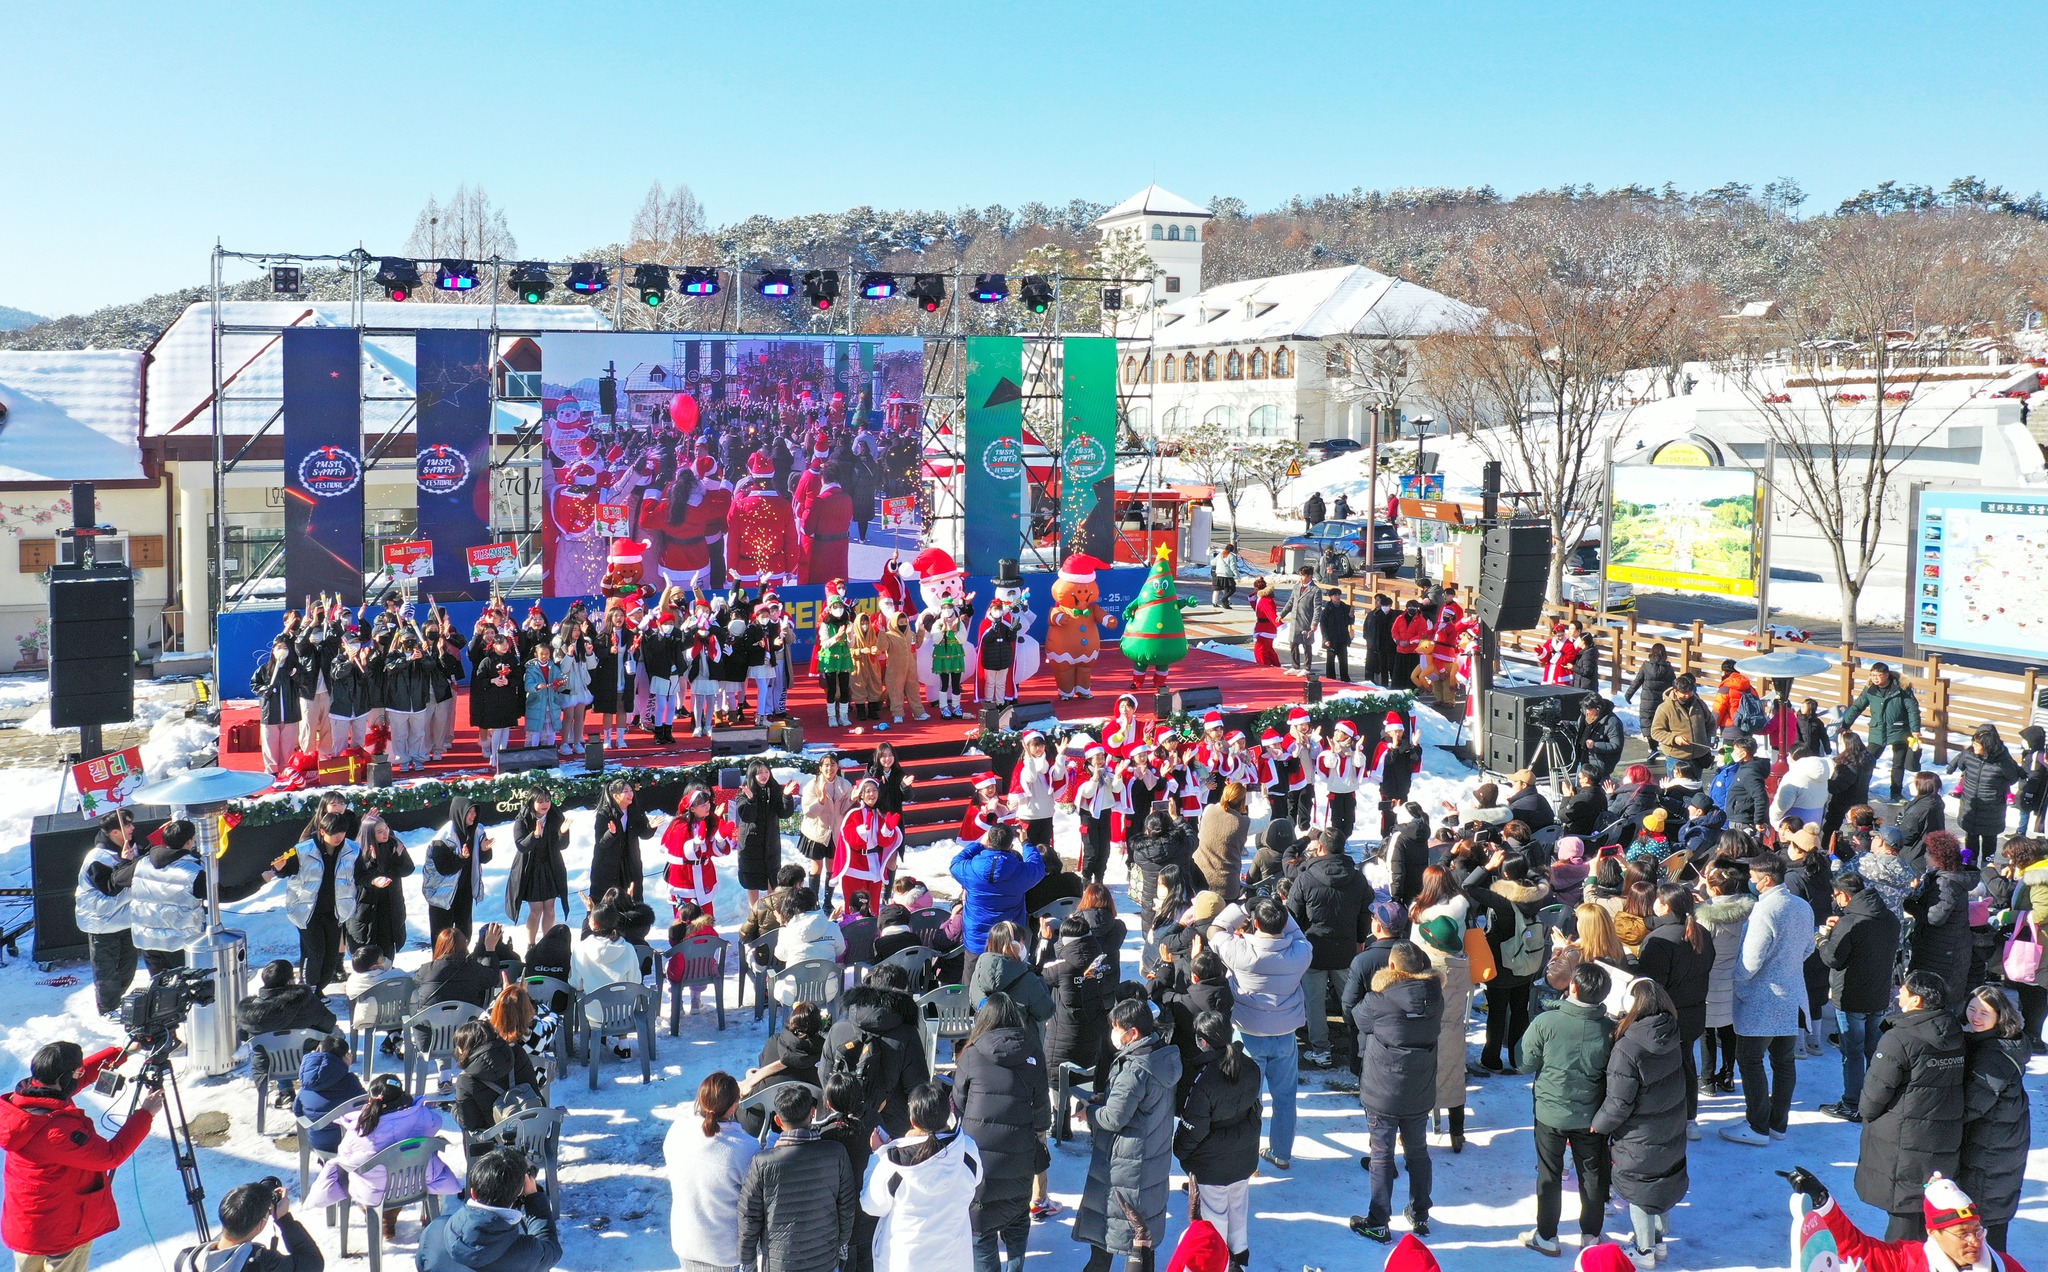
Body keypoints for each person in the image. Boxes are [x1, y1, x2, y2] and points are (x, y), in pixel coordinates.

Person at [0, 1040, 159, 1272]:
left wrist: (120, 1053)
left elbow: (77, 1079)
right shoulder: (56, 1131)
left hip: (25, 1226)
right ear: (63, 1077)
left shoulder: (22, 1101)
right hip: (60, 1228)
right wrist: (145, 1114)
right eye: (77, 1071)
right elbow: (110, 1155)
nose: (80, 1076)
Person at [1855, 970, 1967, 1241]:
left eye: (1902, 990)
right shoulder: (1955, 1033)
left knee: (1903, 1221)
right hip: (1942, 1138)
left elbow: (1874, 1094)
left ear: (1916, 1000)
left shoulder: (1899, 1038)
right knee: (1924, 1214)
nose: (1897, 994)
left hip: (1902, 1142)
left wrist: (1868, 1116)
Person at [1074, 997, 1182, 1272]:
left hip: (1127, 1162)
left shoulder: (1134, 1069)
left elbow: (1113, 1117)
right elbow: (1138, 1103)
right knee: (1142, 1237)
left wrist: (1090, 1113)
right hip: (1152, 1156)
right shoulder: (1161, 1056)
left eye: (1116, 1027)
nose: (1113, 1033)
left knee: (1110, 1227)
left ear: (1133, 1033)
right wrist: (1108, 1096)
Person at [1347, 942, 1443, 1244]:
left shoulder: (1379, 1000)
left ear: (1391, 968)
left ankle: (1378, 1221)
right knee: (1418, 1152)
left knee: (1382, 1156)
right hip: (1419, 1089)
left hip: (1383, 1091)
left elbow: (1357, 1018)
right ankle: (1420, 1212)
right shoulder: (1435, 997)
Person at [1516, 961, 1615, 1256]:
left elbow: (1524, 1062)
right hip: (1592, 1115)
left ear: (1573, 987)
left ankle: (1547, 1235)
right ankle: (1591, 1235)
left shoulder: (1547, 1023)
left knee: (1550, 1172)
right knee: (1592, 1173)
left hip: (1550, 1112)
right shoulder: (1611, 1030)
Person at [1592, 979, 1690, 1269]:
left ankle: (1644, 1249)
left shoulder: (1628, 1048)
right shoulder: (1671, 1032)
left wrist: (1599, 1125)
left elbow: (1618, 1103)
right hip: (1669, 1128)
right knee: (1661, 1182)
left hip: (1639, 1135)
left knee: (1640, 1191)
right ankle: (1659, 1242)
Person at [1209, 897, 1311, 1169]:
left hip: (1248, 1034)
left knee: (1246, 1101)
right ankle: (1281, 1153)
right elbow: (1296, 932)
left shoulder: (1239, 951)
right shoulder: (1301, 952)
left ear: (1254, 923)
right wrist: (1279, 909)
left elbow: (1215, 930)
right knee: (1286, 1098)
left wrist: (1242, 906)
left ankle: (1245, 1156)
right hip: (1285, 1034)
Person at [1720, 852, 1812, 1147]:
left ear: (1766, 880)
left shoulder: (1764, 911)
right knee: (1784, 1062)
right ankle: (1777, 1124)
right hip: (1793, 996)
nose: (1750, 881)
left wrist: (1734, 981)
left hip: (1763, 999)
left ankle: (1757, 1125)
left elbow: (1750, 961)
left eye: (1753, 877)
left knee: (1750, 1059)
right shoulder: (1801, 906)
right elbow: (1809, 948)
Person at [953, 996, 1050, 1272]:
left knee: (981, 1228)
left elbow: (958, 1103)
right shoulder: (1033, 1050)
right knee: (1017, 1213)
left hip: (978, 1154)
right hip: (1020, 1148)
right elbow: (1042, 1106)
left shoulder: (971, 1054)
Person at [307, 1075, 463, 1242]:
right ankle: (390, 1220)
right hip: (417, 1182)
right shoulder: (422, 1115)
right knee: (400, 1173)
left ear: (371, 1099)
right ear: (402, 1095)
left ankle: (383, 1220)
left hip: (375, 1190)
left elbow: (345, 1155)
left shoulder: (362, 1128)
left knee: (354, 1175)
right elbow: (436, 1123)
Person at [1782, 1168, 2029, 1272]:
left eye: (1977, 1231)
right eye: (1962, 1233)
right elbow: (1857, 1247)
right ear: (1934, 1233)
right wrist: (1823, 1203)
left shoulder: (2004, 1266)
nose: (1974, 1242)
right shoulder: (1908, 1262)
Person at [863, 1081, 983, 1272]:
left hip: (906, 1261)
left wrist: (877, 1156)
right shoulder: (967, 1150)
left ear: (913, 1121)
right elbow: (973, 1181)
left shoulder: (893, 1163)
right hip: (954, 1259)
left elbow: (872, 1204)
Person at [1174, 1010, 1262, 1268]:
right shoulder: (1250, 1066)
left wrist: (1181, 1150)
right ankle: (1239, 1257)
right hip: (1243, 1155)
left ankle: (1218, 1262)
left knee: (1214, 1219)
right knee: (1238, 1210)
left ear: (1203, 1041)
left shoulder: (1204, 1079)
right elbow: (1254, 1108)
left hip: (1211, 1163)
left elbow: (1194, 1127)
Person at [738, 1084, 858, 1272]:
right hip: (824, 1260)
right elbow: (847, 1206)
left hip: (780, 1264)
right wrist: (839, 1244)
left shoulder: (762, 1163)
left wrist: (747, 1259)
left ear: (778, 1120)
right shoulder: (836, 1153)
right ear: (812, 1113)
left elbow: (749, 1216)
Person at [1817, 872, 1902, 1122]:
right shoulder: (1889, 918)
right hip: (1878, 994)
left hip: (1851, 996)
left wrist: (1823, 939)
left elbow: (1833, 958)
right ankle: (1875, 1099)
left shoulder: (1850, 923)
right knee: (1873, 1050)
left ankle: (1852, 1103)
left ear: (1843, 895)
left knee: (1852, 1051)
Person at [1288, 830, 1371, 1067]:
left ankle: (1321, 1050)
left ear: (1321, 848)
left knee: (1314, 1003)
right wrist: (1359, 939)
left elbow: (1293, 916)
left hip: (1312, 950)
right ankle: (1357, 1046)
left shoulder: (1306, 878)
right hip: (1345, 949)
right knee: (1350, 999)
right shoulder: (1357, 878)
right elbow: (1364, 912)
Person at [1956, 985, 2029, 1254]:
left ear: (2000, 1015)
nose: (1975, 1016)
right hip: (1999, 1150)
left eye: (1984, 1012)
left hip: (1989, 1156)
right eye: (1972, 1009)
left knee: (1986, 1231)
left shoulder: (1993, 1058)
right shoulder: (1999, 1043)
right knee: (1991, 1225)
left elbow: (1970, 1105)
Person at [664, 1071, 761, 1272]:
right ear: (734, 1106)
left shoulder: (677, 1130)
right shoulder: (746, 1148)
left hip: (685, 1242)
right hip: (725, 1253)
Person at [1635, 885, 1713, 1131]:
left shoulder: (1659, 940)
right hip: (1694, 1013)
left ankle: (1664, 1117)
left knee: (1662, 1069)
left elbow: (1651, 984)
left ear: (1666, 905)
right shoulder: (1700, 933)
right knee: (1687, 1063)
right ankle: (1690, 1118)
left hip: (1666, 1016)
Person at [416, 1147, 562, 1272]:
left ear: (473, 1192)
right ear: (519, 1192)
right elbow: (551, 1250)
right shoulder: (526, 1251)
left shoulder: (434, 1230)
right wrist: (534, 1199)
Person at [827, 964, 929, 1138]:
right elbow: (917, 1087)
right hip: (890, 1130)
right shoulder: (907, 1034)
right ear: (902, 993)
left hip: (841, 1125)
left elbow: (825, 1074)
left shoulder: (838, 1028)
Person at [266, 811, 358, 991]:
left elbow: (361, 873)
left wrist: (373, 880)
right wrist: (279, 869)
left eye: (342, 832)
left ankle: (319, 989)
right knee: (315, 952)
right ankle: (309, 989)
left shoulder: (351, 850)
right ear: (323, 832)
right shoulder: (303, 850)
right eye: (334, 833)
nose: (338, 837)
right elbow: (286, 869)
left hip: (335, 911)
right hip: (307, 911)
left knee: (331, 955)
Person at [951, 821, 1046, 984]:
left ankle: (971, 1009)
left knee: (972, 984)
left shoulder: (971, 869)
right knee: (1010, 985)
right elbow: (1038, 867)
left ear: (989, 840)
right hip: (1009, 939)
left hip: (977, 939)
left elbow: (955, 863)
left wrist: (978, 846)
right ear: (1011, 844)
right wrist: (1026, 843)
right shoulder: (1020, 872)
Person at [235, 958, 337, 1104]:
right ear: (290, 981)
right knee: (334, 1034)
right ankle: (316, 1091)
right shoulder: (307, 1002)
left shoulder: (251, 1012)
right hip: (305, 1060)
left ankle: (285, 1091)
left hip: (268, 1066)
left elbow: (243, 1034)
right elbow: (329, 1023)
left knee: (275, 1049)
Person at [174, 1177, 323, 1272]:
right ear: (260, 1225)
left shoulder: (185, 1259)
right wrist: (284, 1219)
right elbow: (313, 1263)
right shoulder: (261, 1263)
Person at [74, 810, 139, 1017]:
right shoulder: (97, 858)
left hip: (125, 922)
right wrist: (127, 865)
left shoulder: (129, 849)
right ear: (114, 833)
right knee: (107, 973)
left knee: (128, 969)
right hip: (102, 925)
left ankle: (116, 1002)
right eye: (127, 826)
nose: (132, 829)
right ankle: (108, 1008)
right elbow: (110, 888)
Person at [130, 818, 208, 974]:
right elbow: (224, 894)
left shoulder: (142, 863)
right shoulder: (194, 871)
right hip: (179, 942)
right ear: (189, 842)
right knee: (186, 988)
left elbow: (117, 879)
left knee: (160, 991)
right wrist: (260, 880)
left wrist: (125, 861)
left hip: (148, 940)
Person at [1903, 831, 1973, 1003]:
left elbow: (1935, 917)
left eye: (1928, 852)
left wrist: (1910, 903)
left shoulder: (1946, 883)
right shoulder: (1950, 876)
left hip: (1940, 954)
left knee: (1933, 999)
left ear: (1938, 856)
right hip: (1945, 949)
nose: (1925, 856)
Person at [1840, 662, 1923, 803]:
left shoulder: (1902, 689)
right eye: (1872, 675)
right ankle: (1860, 788)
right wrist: (1845, 724)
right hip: (1877, 731)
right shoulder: (1870, 690)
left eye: (1878, 675)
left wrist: (1915, 730)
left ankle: (1896, 793)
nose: (1875, 678)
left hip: (1899, 730)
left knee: (1898, 763)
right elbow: (1857, 707)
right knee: (1866, 760)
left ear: (1886, 675)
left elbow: (1912, 709)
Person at [451, 1016, 538, 1142]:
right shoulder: (517, 1053)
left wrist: (454, 1109)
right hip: (535, 1130)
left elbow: (469, 1124)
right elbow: (533, 1088)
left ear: (462, 1049)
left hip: (500, 1144)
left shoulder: (465, 1080)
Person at [424, 795, 492, 941]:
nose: (473, 815)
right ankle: (441, 963)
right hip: (442, 893)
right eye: (470, 812)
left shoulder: (478, 831)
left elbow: (484, 860)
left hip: (464, 890)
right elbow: (443, 868)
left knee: (464, 933)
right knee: (442, 936)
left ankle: (461, 961)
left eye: (475, 811)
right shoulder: (443, 838)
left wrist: (485, 850)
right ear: (460, 813)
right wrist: (461, 858)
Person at [508, 788, 569, 948]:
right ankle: (531, 945)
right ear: (532, 802)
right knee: (536, 910)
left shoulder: (555, 816)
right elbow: (521, 845)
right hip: (531, 868)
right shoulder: (523, 818)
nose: (545, 804)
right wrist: (535, 835)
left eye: (547, 800)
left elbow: (562, 845)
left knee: (550, 909)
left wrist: (563, 833)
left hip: (550, 866)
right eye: (540, 801)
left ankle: (547, 943)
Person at [293, 1033, 366, 1156]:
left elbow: (297, 1111)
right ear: (345, 1056)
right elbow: (364, 1105)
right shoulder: (350, 1081)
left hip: (317, 1142)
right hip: (349, 1143)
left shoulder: (306, 1083)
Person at [734, 761, 794, 907]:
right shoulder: (744, 792)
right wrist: (750, 800)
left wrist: (786, 796)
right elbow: (747, 817)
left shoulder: (774, 789)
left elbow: (784, 813)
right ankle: (755, 912)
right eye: (760, 772)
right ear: (752, 774)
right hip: (751, 843)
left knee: (772, 876)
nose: (764, 775)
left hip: (771, 841)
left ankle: (770, 911)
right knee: (752, 879)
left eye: (766, 771)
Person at [589, 779, 654, 913]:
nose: (630, 794)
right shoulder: (604, 814)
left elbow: (644, 834)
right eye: (626, 791)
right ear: (616, 796)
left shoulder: (635, 811)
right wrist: (611, 833)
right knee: (610, 901)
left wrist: (651, 827)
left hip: (631, 862)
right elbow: (601, 843)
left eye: (631, 790)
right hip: (608, 865)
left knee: (633, 897)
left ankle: (633, 927)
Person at [1194, 781, 1252, 901]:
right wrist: (1265, 798)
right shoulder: (1243, 823)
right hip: (1226, 887)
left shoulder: (1209, 810)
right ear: (1242, 802)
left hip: (1199, 878)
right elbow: (1265, 820)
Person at [1649, 675, 1716, 776]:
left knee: (1695, 788)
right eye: (1684, 693)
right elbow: (1656, 732)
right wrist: (1674, 739)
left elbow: (1711, 723)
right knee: (1676, 790)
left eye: (1690, 692)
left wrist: (1708, 740)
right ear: (1675, 691)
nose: (1687, 696)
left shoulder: (1700, 704)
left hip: (1698, 757)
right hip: (1676, 757)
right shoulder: (1665, 708)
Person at [1284, 569, 1319, 673]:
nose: (1301, 578)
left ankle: (1307, 668)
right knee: (1293, 644)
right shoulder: (1297, 587)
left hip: (1306, 621)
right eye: (1300, 575)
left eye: (1303, 576)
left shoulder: (1315, 590)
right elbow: (1290, 602)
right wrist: (1282, 614)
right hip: (1295, 621)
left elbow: (1317, 608)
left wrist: (1314, 623)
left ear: (1309, 576)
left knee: (1307, 645)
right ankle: (1295, 666)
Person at [1319, 585, 1354, 681]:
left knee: (1343, 660)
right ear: (1330, 597)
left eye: (1339, 595)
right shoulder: (1327, 610)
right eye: (1335, 595)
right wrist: (1326, 639)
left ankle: (1345, 678)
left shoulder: (1345, 608)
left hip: (1342, 638)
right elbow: (1323, 625)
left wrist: (1351, 616)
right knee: (1330, 661)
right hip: (1331, 639)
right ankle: (1330, 679)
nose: (1337, 597)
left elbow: (1350, 622)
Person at [1249, 576, 1282, 668]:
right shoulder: (1261, 598)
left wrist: (1280, 625)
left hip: (1266, 628)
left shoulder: (1265, 600)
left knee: (1260, 650)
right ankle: (1276, 666)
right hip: (1264, 627)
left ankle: (1265, 667)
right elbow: (1254, 604)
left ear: (1256, 588)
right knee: (1268, 649)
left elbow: (1271, 614)